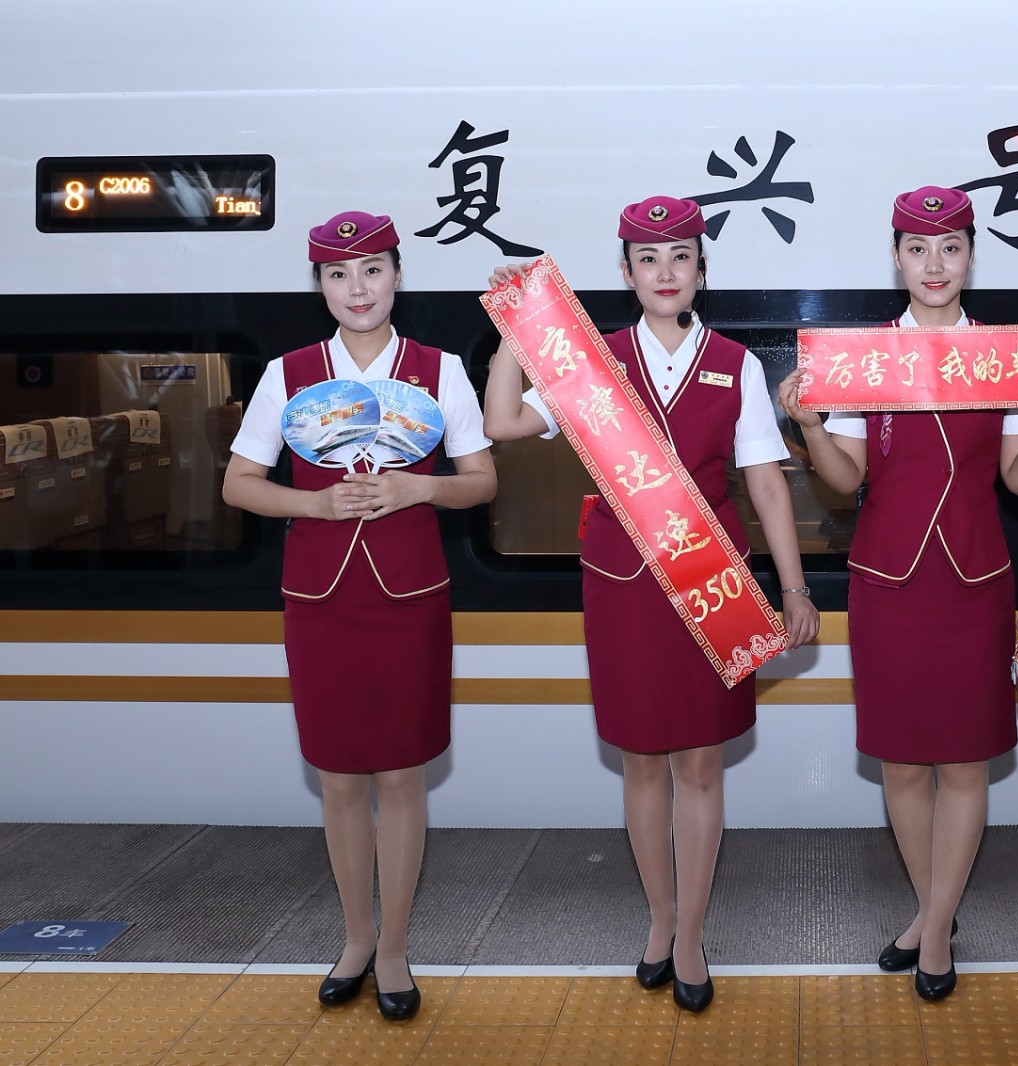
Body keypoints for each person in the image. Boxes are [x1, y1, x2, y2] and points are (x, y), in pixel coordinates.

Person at [483, 195, 819, 1013]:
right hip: (625, 584)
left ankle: (693, 932)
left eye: (680, 257)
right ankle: (660, 921)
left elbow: (766, 482)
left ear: (702, 270)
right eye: (648, 259)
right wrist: (515, 337)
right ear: (627, 273)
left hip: (712, 583)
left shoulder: (735, 363)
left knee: (699, 762)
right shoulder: (594, 361)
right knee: (640, 759)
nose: (665, 272)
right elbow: (502, 419)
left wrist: (794, 586)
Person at [778, 186, 1018, 1001]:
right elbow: (843, 480)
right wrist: (810, 426)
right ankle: (935, 915)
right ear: (896, 258)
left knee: (965, 762)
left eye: (950, 247)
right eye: (917, 249)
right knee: (903, 764)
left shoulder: (1006, 356)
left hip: (975, 582)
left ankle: (934, 928)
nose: (934, 264)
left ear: (971, 255)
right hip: (888, 584)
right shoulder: (865, 359)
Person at [222, 211, 497, 1020]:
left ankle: (397, 948)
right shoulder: (289, 374)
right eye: (338, 274)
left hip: (410, 597)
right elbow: (239, 484)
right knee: (339, 777)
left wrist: (421, 487)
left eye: (372, 269)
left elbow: (482, 480)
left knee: (402, 774)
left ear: (397, 276)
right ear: (319, 286)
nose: (358, 288)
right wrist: (313, 504)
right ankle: (355, 937)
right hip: (321, 601)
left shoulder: (440, 371)